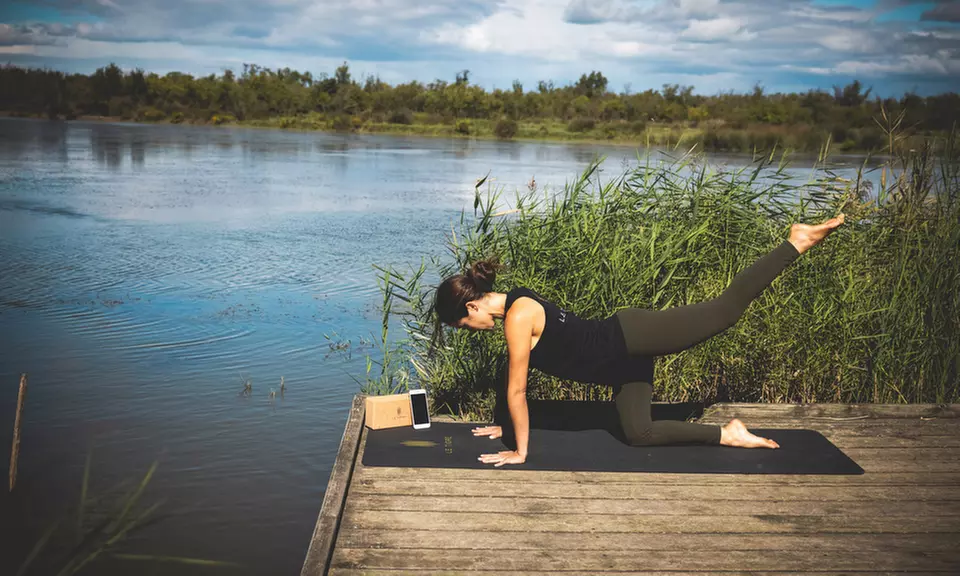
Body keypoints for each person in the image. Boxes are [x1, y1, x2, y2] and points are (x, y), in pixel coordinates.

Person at [432, 214, 846, 467]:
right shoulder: (516, 303)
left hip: (632, 335)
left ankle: (796, 241)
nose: (471, 331)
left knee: (724, 311)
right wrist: (502, 423)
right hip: (624, 363)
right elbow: (513, 374)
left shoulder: (518, 316)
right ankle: (729, 433)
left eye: (463, 326)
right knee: (638, 434)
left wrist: (518, 451)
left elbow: (518, 388)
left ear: (470, 309)